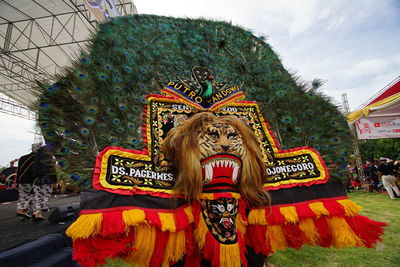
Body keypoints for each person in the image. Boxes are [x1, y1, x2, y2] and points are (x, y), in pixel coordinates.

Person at [16, 143, 57, 220]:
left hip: (22, 180)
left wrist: (17, 181)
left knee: (25, 196)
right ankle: (37, 213)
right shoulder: (42, 158)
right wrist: (55, 181)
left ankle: (22, 210)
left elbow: (19, 171)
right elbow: (51, 170)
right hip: (38, 180)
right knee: (41, 196)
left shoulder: (22, 158)